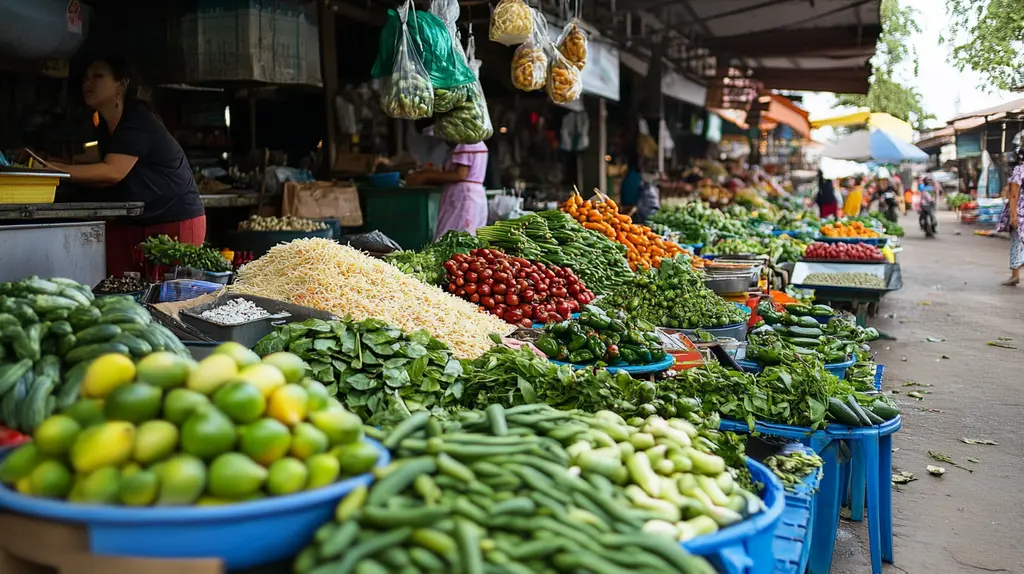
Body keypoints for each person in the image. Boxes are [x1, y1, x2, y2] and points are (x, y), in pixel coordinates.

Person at [43, 56, 205, 276]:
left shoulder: (137, 119)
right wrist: (45, 161)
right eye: (86, 78)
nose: (88, 83)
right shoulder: (103, 124)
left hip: (172, 221)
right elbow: (90, 163)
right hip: (135, 220)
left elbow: (112, 171)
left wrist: (54, 171)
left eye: (98, 76)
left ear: (121, 84)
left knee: (162, 298)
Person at [407, 126, 489, 240]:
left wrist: (426, 176)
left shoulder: (466, 143)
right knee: (468, 237)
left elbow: (460, 174)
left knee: (457, 237)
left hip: (463, 197)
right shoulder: (477, 142)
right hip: (473, 195)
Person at [995, 143, 1024, 286]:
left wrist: (1013, 215)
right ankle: (1015, 275)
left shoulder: (1019, 170)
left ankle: (1015, 275)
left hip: (1021, 211)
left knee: (1017, 242)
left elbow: (1013, 195)